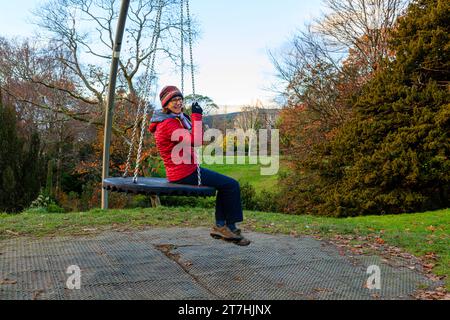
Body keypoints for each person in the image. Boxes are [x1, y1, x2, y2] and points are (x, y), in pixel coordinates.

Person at [149, 86, 250, 246]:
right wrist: (197, 116)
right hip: (183, 172)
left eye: (180, 99)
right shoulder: (168, 124)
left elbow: (197, 138)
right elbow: (196, 141)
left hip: (184, 170)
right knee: (231, 185)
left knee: (226, 186)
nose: (178, 103)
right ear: (165, 104)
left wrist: (191, 119)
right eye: (173, 100)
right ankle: (225, 227)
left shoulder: (177, 120)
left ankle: (224, 226)